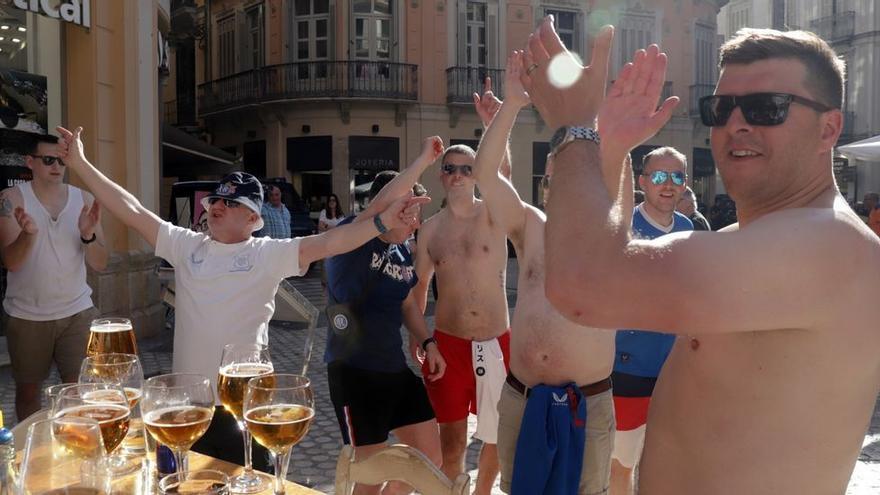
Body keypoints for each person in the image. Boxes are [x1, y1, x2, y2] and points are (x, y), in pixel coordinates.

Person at [525, 18, 880, 495]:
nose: (736, 123)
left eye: (766, 108)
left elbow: (583, 285)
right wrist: (610, 148)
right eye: (720, 109)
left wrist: (575, 129)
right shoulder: (755, 240)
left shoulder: (827, 244)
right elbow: (611, 254)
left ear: (828, 128)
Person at [54, 125, 426, 468]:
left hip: (244, 407)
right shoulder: (188, 245)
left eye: (233, 203)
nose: (219, 204)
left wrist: (380, 224)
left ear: (252, 219)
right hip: (189, 407)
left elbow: (332, 241)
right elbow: (131, 210)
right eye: (217, 199)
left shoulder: (266, 253)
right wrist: (80, 163)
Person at [471, 52, 616, 495]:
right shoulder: (531, 226)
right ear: (548, 175)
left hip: (587, 404)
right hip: (523, 397)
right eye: (560, 164)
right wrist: (513, 104)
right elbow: (485, 175)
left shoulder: (612, 233)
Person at [325, 137, 447, 495]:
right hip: (354, 374)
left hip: (392, 370)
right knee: (369, 477)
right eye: (409, 214)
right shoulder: (349, 237)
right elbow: (373, 212)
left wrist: (427, 340)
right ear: (388, 207)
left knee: (429, 457)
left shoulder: (401, 254)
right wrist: (423, 160)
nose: (415, 226)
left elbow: (408, 302)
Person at [410, 79, 512, 494]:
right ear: (441, 175)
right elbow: (416, 292)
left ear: (476, 174)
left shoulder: (494, 216)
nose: (457, 174)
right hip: (448, 345)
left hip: (496, 340)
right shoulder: (430, 231)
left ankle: (484, 492)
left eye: (466, 168)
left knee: (496, 438)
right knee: (451, 442)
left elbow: (503, 174)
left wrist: (493, 126)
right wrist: (420, 339)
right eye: (449, 167)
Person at [0, 132, 108, 420]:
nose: (56, 166)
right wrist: (28, 235)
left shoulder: (84, 199)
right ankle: (29, 457)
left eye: (61, 160)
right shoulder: (11, 199)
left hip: (77, 313)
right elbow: (11, 261)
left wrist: (88, 234)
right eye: (48, 160)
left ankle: (77, 452)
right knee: (28, 393)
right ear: (30, 162)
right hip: (27, 317)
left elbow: (101, 263)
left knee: (81, 391)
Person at [609, 147, 693, 495]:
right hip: (628, 366)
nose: (668, 184)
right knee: (622, 466)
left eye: (676, 177)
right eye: (659, 176)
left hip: (675, 370)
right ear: (643, 181)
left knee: (664, 464)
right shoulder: (624, 225)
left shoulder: (688, 228)